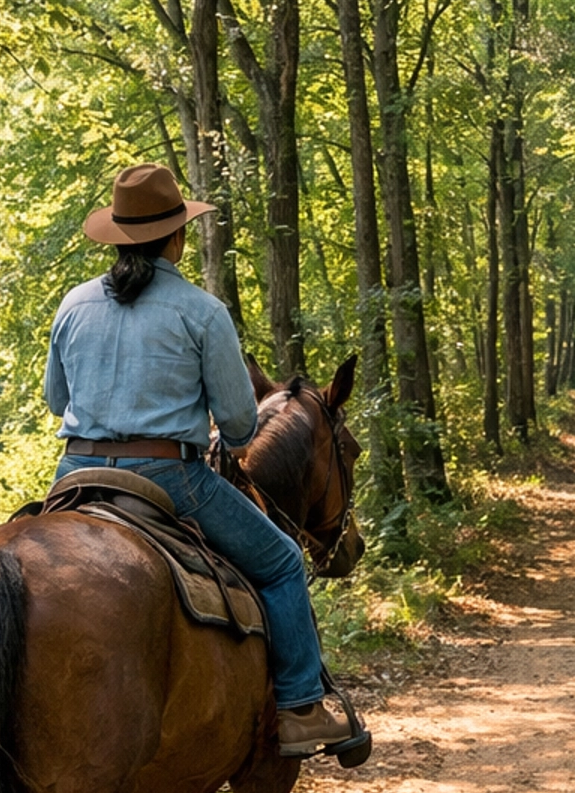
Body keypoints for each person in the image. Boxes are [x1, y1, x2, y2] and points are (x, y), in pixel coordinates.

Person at [43, 163, 352, 758]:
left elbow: (58, 400)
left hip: (75, 475)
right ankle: (299, 709)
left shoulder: (74, 304)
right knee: (285, 561)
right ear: (177, 238)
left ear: (116, 235)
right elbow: (239, 426)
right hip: (170, 477)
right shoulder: (201, 311)